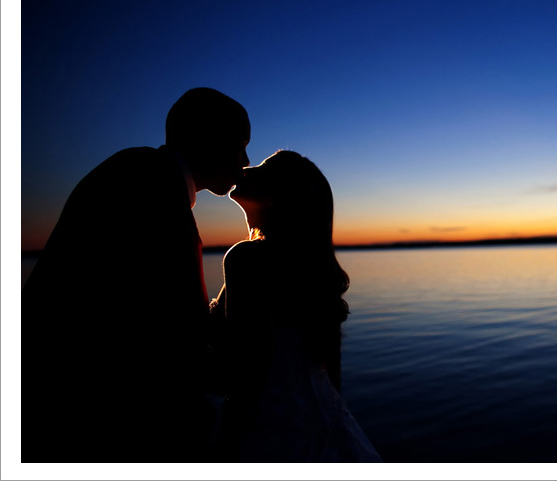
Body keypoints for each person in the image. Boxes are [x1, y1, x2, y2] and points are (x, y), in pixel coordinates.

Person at [22, 88, 250, 463]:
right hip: (81, 417)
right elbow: (170, 336)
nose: (245, 161)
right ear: (209, 140)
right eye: (240, 144)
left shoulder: (141, 173)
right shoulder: (151, 187)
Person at [210, 150, 381, 462]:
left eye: (262, 168)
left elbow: (246, 374)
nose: (246, 167)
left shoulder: (247, 259)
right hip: (325, 428)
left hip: (269, 433)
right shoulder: (311, 269)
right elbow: (333, 377)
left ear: (276, 197)